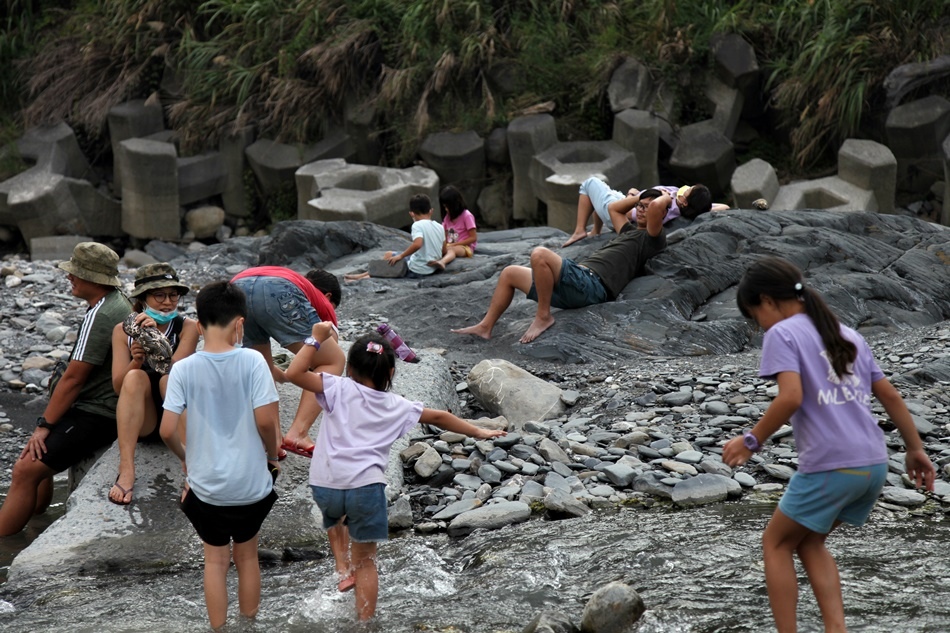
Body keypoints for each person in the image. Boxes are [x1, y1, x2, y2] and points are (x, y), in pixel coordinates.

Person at [721, 257, 935, 633]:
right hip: (872, 465)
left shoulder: (782, 334)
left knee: (775, 544)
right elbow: (891, 395)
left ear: (767, 301)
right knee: (809, 543)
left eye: (755, 316)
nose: (759, 327)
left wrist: (751, 441)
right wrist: (915, 449)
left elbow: (790, 397)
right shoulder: (847, 334)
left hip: (831, 465)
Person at [285, 326, 506, 621]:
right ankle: (364, 625)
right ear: (390, 373)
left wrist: (316, 337)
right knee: (366, 562)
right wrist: (478, 430)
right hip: (366, 488)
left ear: (349, 368)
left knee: (335, 518)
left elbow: (294, 374)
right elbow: (440, 417)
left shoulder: (337, 387)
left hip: (328, 484)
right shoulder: (397, 405)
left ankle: (341, 569)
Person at [159, 280, 281, 630]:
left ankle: (218, 629)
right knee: (247, 556)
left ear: (198, 324)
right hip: (251, 487)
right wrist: (272, 456)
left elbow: (167, 430)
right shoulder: (254, 362)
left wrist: (185, 458)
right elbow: (266, 422)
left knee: (214, 562)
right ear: (240, 323)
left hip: (206, 488)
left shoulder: (182, 369)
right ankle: (249, 624)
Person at [0, 242, 131, 537]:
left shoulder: (102, 314)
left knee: (25, 469)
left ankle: (6, 543)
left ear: (93, 278)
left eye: (75, 273)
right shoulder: (118, 302)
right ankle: (35, 523)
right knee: (37, 465)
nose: (69, 277)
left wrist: (44, 425)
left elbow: (74, 378)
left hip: (97, 411)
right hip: (102, 405)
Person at [452, 188, 668, 344]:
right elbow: (614, 209)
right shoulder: (629, 231)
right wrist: (641, 197)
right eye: (640, 206)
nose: (641, 210)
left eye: (647, 208)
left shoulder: (652, 239)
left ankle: (543, 316)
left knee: (540, 254)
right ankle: (486, 326)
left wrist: (666, 194)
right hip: (577, 282)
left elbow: (659, 205)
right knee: (510, 273)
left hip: (593, 285)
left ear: (661, 214)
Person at [230, 265, 344, 459]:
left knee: (260, 367)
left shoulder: (296, 279)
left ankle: (272, 440)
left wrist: (282, 373)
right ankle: (298, 434)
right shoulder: (322, 302)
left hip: (236, 286)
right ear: (328, 296)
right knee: (332, 360)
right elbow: (328, 340)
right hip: (278, 289)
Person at [108, 263, 199, 505]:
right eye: (159, 295)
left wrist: (155, 340)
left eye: (173, 295)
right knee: (134, 377)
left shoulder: (187, 327)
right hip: (144, 420)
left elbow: (177, 368)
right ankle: (126, 468)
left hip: (180, 416)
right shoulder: (122, 331)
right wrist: (136, 360)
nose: (168, 302)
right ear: (142, 298)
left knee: (169, 379)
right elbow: (118, 387)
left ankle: (192, 470)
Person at [561, 176, 729, 247]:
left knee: (590, 183)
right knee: (604, 190)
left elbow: (628, 214)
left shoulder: (666, 206)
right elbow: (724, 207)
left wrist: (631, 197)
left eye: (690, 189)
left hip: (618, 212)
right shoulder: (691, 206)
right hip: (632, 198)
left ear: (685, 201)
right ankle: (595, 230)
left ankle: (579, 231)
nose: (688, 188)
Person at [343, 194, 445, 281]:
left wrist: (401, 256)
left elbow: (418, 244)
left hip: (418, 270)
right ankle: (362, 275)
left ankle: (363, 278)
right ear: (431, 211)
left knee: (390, 263)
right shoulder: (440, 227)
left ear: (412, 213)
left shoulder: (417, 225)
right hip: (431, 268)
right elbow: (444, 249)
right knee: (389, 254)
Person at [428, 185, 478, 271]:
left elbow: (473, 238)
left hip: (465, 247)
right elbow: (444, 234)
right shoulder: (448, 217)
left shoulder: (467, 216)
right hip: (449, 245)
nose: (446, 209)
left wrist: (454, 245)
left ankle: (443, 262)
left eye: (448, 207)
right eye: (444, 207)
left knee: (452, 250)